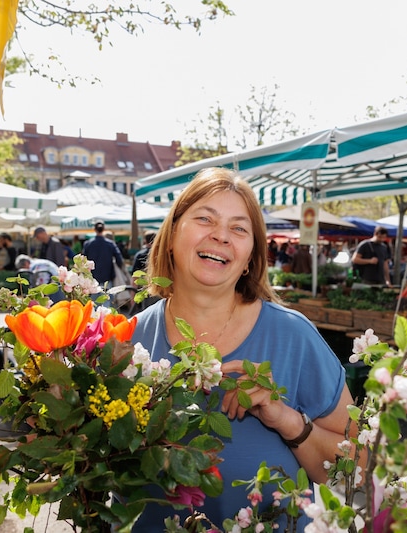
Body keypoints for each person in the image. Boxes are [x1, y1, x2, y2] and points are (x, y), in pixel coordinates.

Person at [130, 167, 356, 530]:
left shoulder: (292, 336)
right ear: (171, 234)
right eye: (205, 219)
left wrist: (288, 421)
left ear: (251, 256)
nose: (220, 236)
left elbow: (353, 468)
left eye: (238, 228)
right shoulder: (127, 342)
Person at [82, 222, 124, 287]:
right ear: (104, 229)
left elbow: (83, 260)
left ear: (94, 229)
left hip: (92, 278)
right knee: (108, 296)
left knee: (94, 297)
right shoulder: (110, 244)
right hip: (107, 277)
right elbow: (119, 259)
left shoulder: (88, 244)